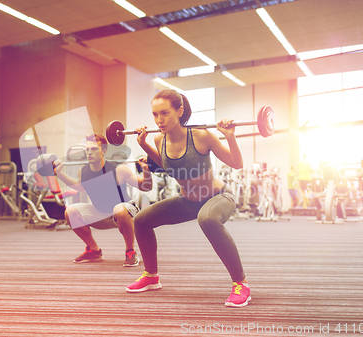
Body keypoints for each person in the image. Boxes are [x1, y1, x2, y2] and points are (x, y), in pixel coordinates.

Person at [126, 89, 250, 308]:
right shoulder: (159, 139)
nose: (159, 120)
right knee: (141, 220)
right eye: (155, 115)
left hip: (218, 197)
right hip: (188, 201)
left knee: (208, 219)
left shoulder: (201, 136)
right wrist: (144, 145)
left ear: (180, 111)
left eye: (164, 113)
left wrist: (230, 136)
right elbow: (167, 166)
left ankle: (241, 284)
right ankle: (151, 276)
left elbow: (236, 163)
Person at [53, 133, 153, 267]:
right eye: (87, 150)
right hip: (101, 213)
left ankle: (130, 251)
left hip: (125, 212)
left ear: (104, 151)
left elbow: (146, 187)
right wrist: (59, 174)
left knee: (119, 209)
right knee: (70, 211)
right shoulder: (84, 172)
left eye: (94, 149)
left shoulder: (119, 169)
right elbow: (79, 187)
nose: (89, 153)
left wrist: (146, 170)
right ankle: (94, 250)